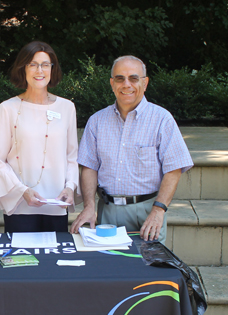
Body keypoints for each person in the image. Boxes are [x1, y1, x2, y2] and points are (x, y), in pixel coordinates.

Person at [70, 55, 193, 243]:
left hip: (147, 211)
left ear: (145, 83)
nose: (126, 84)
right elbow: (89, 167)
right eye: (120, 78)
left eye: (133, 78)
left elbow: (173, 169)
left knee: (148, 269)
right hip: (108, 211)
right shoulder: (96, 121)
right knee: (110, 267)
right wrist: (88, 206)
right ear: (112, 83)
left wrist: (158, 210)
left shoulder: (162, 119)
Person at [0, 41, 79, 233]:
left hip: (56, 205)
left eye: (45, 64)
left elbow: (72, 157)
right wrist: (22, 192)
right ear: (23, 68)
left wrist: (70, 187)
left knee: (54, 260)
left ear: (52, 69)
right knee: (22, 260)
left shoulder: (67, 107)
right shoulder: (7, 109)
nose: (39, 70)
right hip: (20, 205)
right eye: (33, 64)